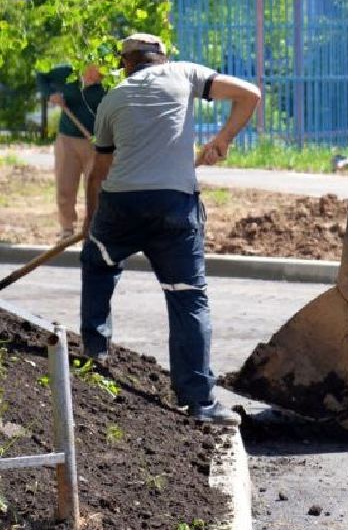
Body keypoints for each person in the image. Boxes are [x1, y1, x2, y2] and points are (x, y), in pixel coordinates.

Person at [83, 33, 261, 425]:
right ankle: (199, 401)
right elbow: (250, 94)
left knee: (98, 266)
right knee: (187, 297)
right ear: (161, 58)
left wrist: (90, 225)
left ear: (126, 63)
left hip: (121, 205)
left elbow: (99, 172)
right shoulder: (185, 74)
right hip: (174, 205)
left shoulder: (113, 98)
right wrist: (223, 140)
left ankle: (93, 357)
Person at [49, 63, 105, 240]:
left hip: (97, 144)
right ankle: (66, 228)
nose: (95, 76)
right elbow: (43, 76)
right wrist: (51, 95)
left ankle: (94, 227)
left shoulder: (107, 86)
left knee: (95, 187)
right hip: (67, 140)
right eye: (92, 71)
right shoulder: (67, 74)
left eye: (99, 73)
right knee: (65, 185)